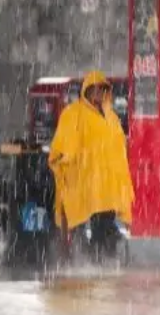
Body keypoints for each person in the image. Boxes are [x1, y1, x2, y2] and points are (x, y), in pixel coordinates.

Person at [48, 71, 135, 263]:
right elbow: (65, 142)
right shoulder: (74, 114)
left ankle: (101, 260)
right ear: (87, 91)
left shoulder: (111, 118)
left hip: (107, 186)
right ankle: (88, 260)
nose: (98, 94)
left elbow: (118, 148)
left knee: (104, 223)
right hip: (86, 182)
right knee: (82, 222)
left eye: (102, 90)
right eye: (94, 90)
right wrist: (64, 158)